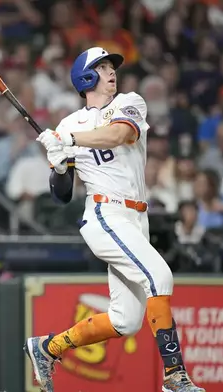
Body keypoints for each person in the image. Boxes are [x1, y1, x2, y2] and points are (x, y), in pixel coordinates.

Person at [24, 47, 205, 392]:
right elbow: (61, 194)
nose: (111, 72)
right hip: (105, 215)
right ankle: (174, 377)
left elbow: (121, 135)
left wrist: (68, 141)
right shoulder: (68, 124)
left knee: (126, 321)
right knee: (160, 276)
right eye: (103, 67)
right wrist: (60, 165)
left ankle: (48, 348)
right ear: (86, 77)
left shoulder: (129, 102)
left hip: (137, 218)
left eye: (111, 67)